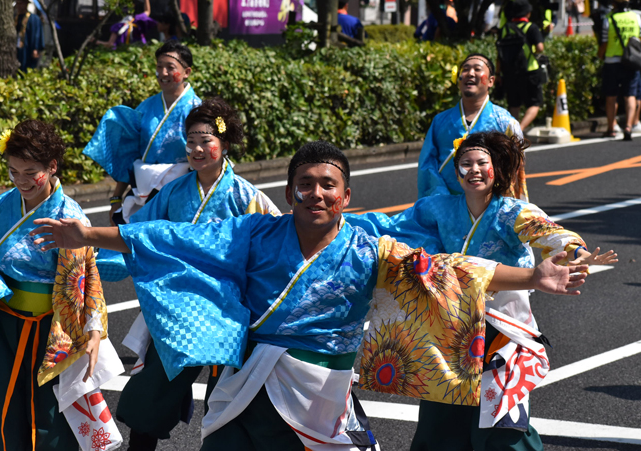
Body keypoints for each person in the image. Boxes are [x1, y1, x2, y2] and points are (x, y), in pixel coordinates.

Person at [31, 141, 588, 451]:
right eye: (305, 183)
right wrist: (88, 235)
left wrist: (534, 278)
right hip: (248, 378)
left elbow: (449, 270)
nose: (315, 192)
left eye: (328, 185)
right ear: (289, 189)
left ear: (346, 196)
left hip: (320, 389)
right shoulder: (254, 231)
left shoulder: (371, 249)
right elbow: (174, 237)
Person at [347, 131, 617, 450]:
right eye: (465, 163)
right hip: (452, 329)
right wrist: (330, 223)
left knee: (502, 426)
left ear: (496, 170)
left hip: (502, 330)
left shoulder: (513, 211)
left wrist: (575, 251)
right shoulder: (439, 208)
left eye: (481, 163)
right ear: (456, 172)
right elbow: (387, 226)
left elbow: (548, 231)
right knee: (440, 425)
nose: (473, 169)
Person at [0, 120, 124, 450]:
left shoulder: (69, 214)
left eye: (30, 172)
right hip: (5, 321)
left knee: (48, 412)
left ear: (52, 166)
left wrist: (95, 331)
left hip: (52, 328)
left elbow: (85, 277)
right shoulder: (2, 206)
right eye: (13, 172)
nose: (21, 181)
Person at [115, 97, 280, 451]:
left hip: (229, 311)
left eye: (206, 140)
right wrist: (92, 254)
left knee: (226, 397)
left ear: (224, 142)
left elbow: (275, 247)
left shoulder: (247, 196)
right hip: (180, 307)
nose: (197, 148)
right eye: (191, 140)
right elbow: (141, 234)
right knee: (154, 387)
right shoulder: (174, 192)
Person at [84, 40, 201, 225]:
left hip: (183, 195)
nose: (162, 73)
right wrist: (116, 198)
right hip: (143, 194)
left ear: (187, 72)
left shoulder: (197, 111)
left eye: (170, 67)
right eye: (159, 67)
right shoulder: (145, 108)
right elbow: (129, 155)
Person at [418, 53, 527, 200]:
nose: (470, 73)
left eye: (477, 69)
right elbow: (427, 164)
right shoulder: (439, 121)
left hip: (490, 207)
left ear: (491, 81)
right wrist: (440, 196)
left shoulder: (505, 123)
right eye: (466, 69)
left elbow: (514, 171)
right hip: (446, 204)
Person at [496, 0, 545, 132]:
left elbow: (499, 55)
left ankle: (512, 133)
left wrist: (498, 73)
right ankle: (520, 129)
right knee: (535, 103)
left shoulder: (505, 29)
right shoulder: (531, 27)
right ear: (527, 13)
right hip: (530, 71)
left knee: (514, 105)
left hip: (509, 72)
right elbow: (540, 47)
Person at [598, 0, 641, 141]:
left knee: (611, 96)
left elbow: (604, 42)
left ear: (613, 3)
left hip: (612, 61)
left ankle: (611, 128)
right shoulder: (636, 17)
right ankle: (629, 126)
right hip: (631, 61)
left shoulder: (608, 19)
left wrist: (599, 55)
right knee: (630, 95)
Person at [15, 0, 44, 71]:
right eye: (18, 3)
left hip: (28, 49)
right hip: (16, 49)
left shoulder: (34, 19)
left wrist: (36, 48)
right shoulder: (16, 18)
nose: (19, 6)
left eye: (21, 3)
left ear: (26, 4)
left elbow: (37, 34)